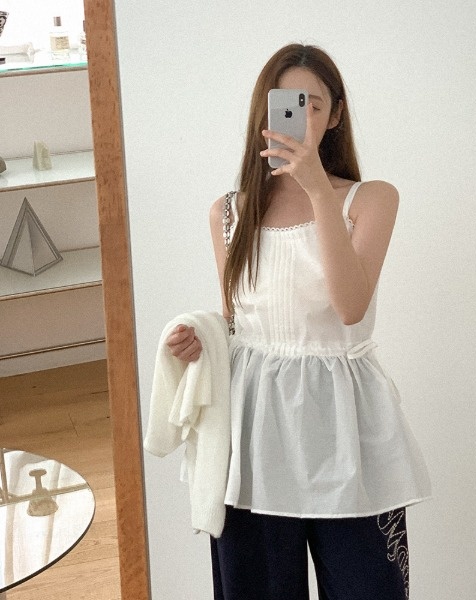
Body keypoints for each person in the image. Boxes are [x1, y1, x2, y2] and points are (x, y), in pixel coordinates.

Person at [166, 43, 431, 600]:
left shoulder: (370, 199)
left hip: (348, 430)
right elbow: (239, 321)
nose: (301, 115)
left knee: (369, 588)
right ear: (264, 113)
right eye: (287, 102)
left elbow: (350, 306)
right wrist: (201, 338)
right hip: (253, 431)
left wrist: (315, 189)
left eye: (314, 103)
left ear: (335, 116)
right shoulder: (230, 211)